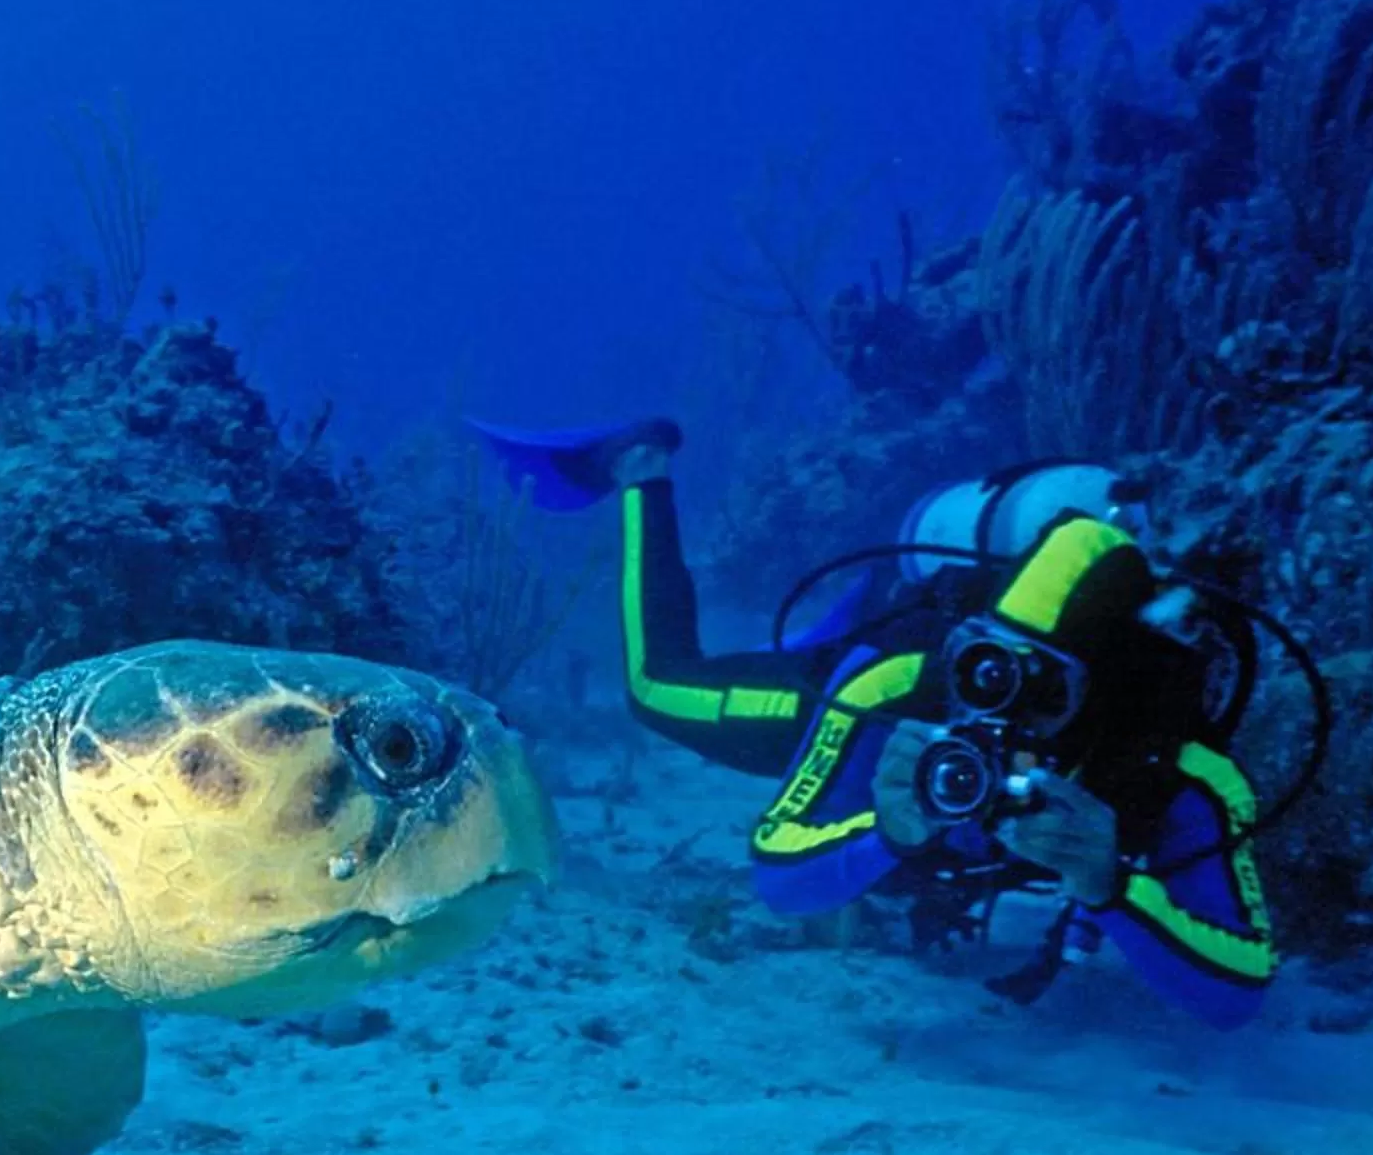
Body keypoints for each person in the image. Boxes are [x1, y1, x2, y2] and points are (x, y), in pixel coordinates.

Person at [475, 418, 1277, 1028]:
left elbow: (1240, 988)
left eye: (1041, 693)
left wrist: (1110, 886)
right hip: (850, 687)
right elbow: (779, 875)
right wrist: (888, 829)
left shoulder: (1181, 768)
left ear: (1104, 694)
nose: (992, 708)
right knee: (660, 687)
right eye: (985, 665)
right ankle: (641, 469)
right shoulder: (911, 683)